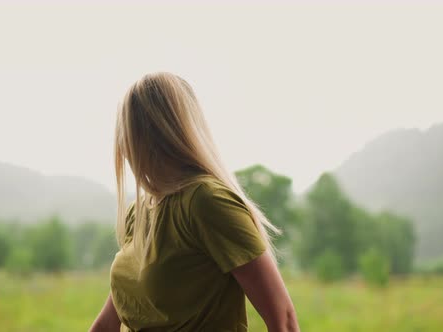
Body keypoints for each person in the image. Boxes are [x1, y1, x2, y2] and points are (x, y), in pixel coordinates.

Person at [89, 72, 300, 332]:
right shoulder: (140, 212)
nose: (122, 143)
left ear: (152, 132)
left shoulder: (207, 202)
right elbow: (106, 325)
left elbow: (284, 321)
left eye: (128, 130)